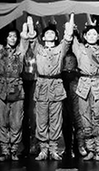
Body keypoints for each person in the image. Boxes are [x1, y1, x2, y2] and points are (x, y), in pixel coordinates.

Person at [23, 17, 71, 161]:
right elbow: (32, 39)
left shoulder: (60, 49)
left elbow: (67, 39)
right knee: (41, 119)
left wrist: (71, 16)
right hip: (42, 85)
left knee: (56, 119)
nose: (49, 35)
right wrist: (30, 24)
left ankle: (54, 149)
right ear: (43, 37)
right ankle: (43, 149)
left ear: (56, 37)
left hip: (56, 85)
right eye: (47, 33)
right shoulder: (38, 48)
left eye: (52, 33)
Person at [72, 16, 99, 160]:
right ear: (85, 36)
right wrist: (72, 18)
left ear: (98, 36)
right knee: (85, 117)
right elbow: (70, 37)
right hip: (84, 85)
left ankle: (98, 149)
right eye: (89, 34)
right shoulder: (79, 48)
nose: (92, 36)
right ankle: (90, 149)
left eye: (94, 34)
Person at [0, 23, 29, 161]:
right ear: (6, 38)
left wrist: (25, 31)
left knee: (16, 121)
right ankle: (5, 150)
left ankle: (14, 150)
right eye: (10, 36)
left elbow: (25, 42)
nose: (12, 38)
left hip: (17, 88)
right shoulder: (0, 49)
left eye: (15, 36)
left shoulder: (20, 51)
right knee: (1, 120)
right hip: (1, 88)